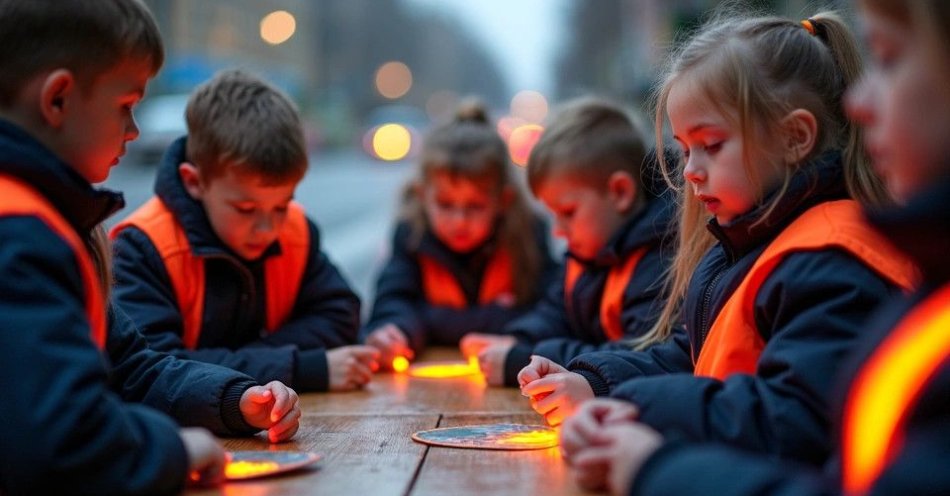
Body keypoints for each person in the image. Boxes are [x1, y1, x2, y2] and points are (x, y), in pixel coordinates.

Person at [557, 1, 950, 494]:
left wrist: (645, 428)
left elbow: (792, 420)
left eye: (712, 145)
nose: (691, 170)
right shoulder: (744, 246)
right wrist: (596, 380)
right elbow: (694, 357)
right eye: (683, 149)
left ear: (794, 137)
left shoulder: (831, 259)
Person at [0, 1, 299, 494]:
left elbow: (132, 369)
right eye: (125, 105)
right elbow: (61, 445)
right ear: (57, 99)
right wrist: (173, 450)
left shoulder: (50, 222)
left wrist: (232, 398)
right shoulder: (20, 234)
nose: (135, 131)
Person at [111, 69, 377, 392]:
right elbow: (152, 367)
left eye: (281, 205)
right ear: (194, 182)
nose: (267, 228)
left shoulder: (295, 230)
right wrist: (295, 366)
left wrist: (242, 360)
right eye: (246, 209)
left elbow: (341, 316)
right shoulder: (143, 246)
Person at [466, 97, 675, 387]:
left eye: (568, 213)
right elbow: (557, 311)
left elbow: (637, 355)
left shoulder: (658, 259)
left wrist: (523, 358)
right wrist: (518, 338)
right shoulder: (588, 251)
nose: (558, 232)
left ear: (620, 192)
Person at [361, 100, 557, 369]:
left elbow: (550, 311)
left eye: (475, 207)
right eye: (445, 205)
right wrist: (391, 332)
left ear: (503, 200)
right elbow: (392, 299)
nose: (459, 221)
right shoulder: (412, 234)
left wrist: (429, 319)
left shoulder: (528, 235)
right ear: (422, 196)